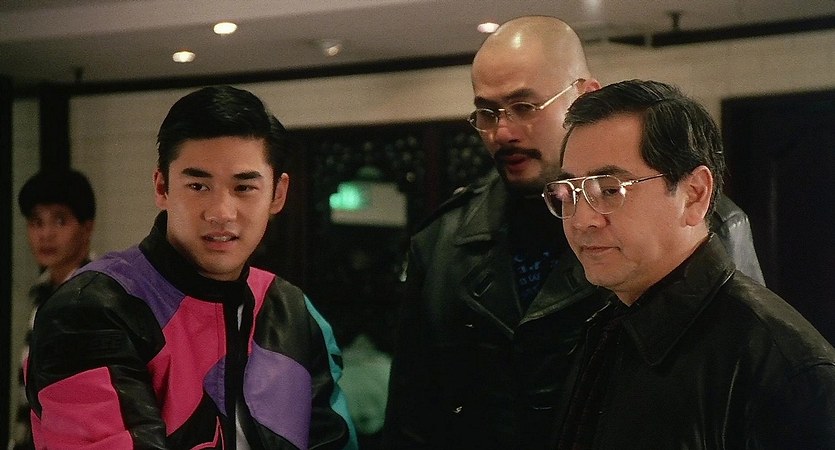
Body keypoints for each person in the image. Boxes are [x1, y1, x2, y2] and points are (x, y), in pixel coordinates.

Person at [383, 16, 765, 450]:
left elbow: (743, 384)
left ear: (584, 97)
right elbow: (412, 417)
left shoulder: (690, 222)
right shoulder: (444, 240)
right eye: (487, 113)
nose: (502, 132)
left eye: (524, 107)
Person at [26, 85, 357, 450]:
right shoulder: (92, 309)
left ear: (277, 194)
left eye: (244, 188)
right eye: (198, 185)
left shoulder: (293, 312)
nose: (221, 212)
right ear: (162, 187)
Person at [548, 79, 835, 449]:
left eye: (609, 190)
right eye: (570, 192)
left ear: (694, 194)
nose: (581, 220)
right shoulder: (604, 329)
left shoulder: (785, 368)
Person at [12, 169, 96, 450]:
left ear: (87, 228)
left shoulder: (96, 295)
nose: (45, 234)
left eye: (60, 220)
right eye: (36, 222)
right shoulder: (42, 292)